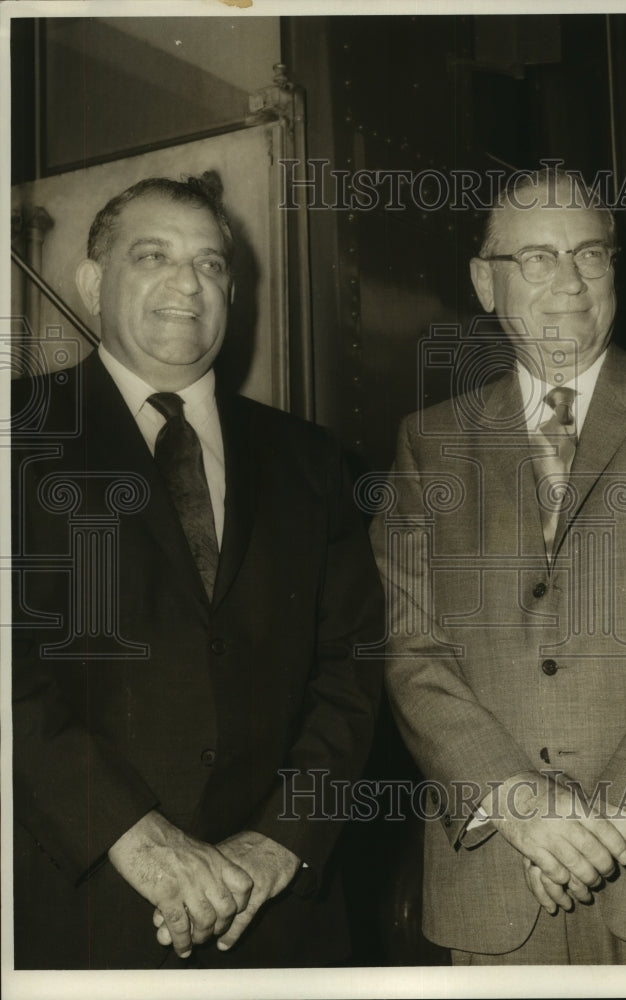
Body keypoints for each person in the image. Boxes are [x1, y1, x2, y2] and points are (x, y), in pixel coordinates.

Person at [370, 168, 626, 965]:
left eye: (590, 253)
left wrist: (616, 811)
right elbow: (415, 652)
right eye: (537, 258)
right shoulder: (429, 442)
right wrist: (523, 808)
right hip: (497, 880)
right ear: (486, 282)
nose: (571, 282)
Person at [11, 175, 383, 969]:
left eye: (211, 265)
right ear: (90, 281)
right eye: (154, 256)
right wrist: (128, 833)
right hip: (77, 913)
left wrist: (282, 842)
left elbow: (354, 668)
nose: (188, 283)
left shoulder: (313, 460)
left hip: (280, 920)